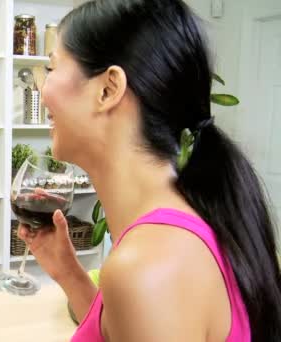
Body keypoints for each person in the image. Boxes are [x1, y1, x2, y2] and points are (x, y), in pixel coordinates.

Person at [18, 0, 281, 341]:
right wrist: (69, 273)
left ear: (108, 89)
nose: (43, 88)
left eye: (52, 69)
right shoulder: (170, 230)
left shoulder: (150, 267)